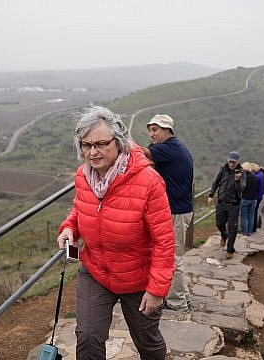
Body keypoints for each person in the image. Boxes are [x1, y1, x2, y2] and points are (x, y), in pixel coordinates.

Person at [57, 106, 175, 359]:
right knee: (87, 338)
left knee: (148, 343)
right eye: (86, 145)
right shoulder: (83, 176)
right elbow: (80, 210)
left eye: (100, 144)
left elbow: (164, 241)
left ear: (118, 142)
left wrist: (157, 289)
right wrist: (69, 228)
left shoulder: (149, 182)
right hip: (96, 270)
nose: (93, 152)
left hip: (138, 277)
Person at [140, 114, 193, 312]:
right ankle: (184, 298)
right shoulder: (172, 147)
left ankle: (178, 304)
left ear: (167, 130)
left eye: (155, 130)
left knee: (172, 258)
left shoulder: (170, 148)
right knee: (175, 256)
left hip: (176, 211)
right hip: (180, 209)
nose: (151, 134)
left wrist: (119, 142)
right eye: (150, 130)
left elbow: (142, 152)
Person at [208, 151, 244, 259]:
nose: (231, 164)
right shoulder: (223, 169)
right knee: (219, 224)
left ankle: (230, 249)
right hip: (221, 203)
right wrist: (211, 195)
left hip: (234, 204)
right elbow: (216, 182)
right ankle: (224, 236)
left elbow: (242, 189)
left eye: (234, 162)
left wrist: (237, 180)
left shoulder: (241, 173)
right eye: (230, 161)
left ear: (238, 162)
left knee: (232, 227)